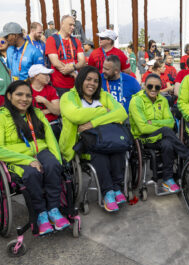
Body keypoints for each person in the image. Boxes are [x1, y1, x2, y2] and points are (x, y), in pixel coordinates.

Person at [0, 80, 70, 235]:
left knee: (53, 166)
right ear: (9, 96)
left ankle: (53, 209)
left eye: (28, 95)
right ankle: (40, 214)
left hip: (41, 151)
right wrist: (28, 160)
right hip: (17, 157)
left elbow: (50, 139)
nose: (24, 99)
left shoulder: (37, 113)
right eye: (19, 94)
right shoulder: (2, 116)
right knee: (32, 173)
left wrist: (57, 160)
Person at [59, 66, 128, 212]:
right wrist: (103, 111)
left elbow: (121, 113)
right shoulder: (68, 97)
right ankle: (108, 192)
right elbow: (76, 116)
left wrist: (92, 123)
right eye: (88, 79)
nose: (92, 83)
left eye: (96, 81)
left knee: (117, 148)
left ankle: (116, 187)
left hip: (106, 136)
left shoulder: (104, 96)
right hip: (81, 142)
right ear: (81, 79)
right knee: (100, 152)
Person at [129, 74, 189, 193]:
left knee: (168, 144)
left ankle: (167, 180)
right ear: (144, 86)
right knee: (166, 131)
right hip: (144, 138)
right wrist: (161, 125)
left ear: (160, 88)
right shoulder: (136, 101)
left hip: (162, 137)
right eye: (150, 86)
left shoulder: (162, 100)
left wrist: (153, 122)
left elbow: (171, 122)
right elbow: (143, 128)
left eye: (157, 87)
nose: (153, 89)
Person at [45, 15, 85, 97]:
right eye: (70, 25)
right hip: (59, 85)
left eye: (74, 25)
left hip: (76, 84)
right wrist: (72, 72)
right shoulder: (52, 39)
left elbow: (82, 61)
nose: (73, 27)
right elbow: (55, 62)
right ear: (62, 24)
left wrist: (73, 68)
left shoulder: (76, 41)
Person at [28, 64, 61, 139]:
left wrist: (45, 101)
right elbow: (28, 113)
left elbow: (57, 111)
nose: (48, 77)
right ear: (36, 76)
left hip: (52, 124)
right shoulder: (26, 90)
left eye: (48, 75)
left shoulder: (51, 89)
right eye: (45, 74)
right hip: (34, 125)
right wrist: (49, 110)